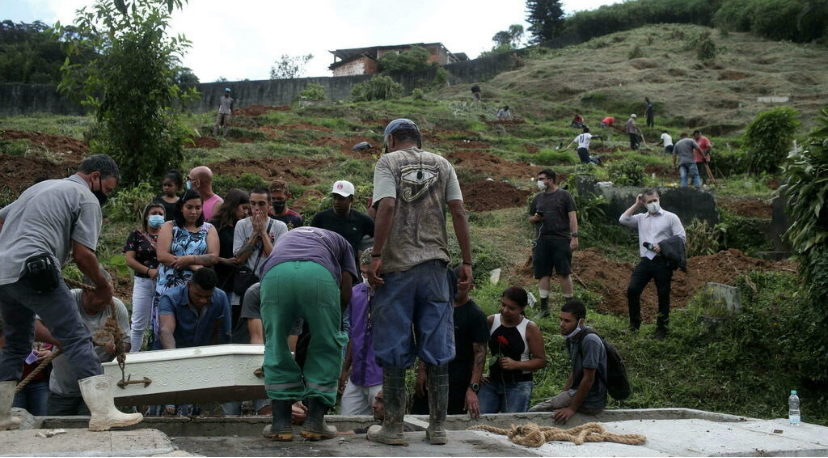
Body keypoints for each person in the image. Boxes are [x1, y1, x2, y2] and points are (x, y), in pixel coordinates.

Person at [0, 154, 142, 432]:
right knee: (77, 336)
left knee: (16, 344)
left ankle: (1, 416)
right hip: (35, 270)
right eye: (108, 190)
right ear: (95, 178)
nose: (106, 197)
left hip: (4, 274)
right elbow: (83, 255)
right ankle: (103, 413)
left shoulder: (40, 188)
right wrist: (103, 284)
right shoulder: (86, 198)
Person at [366, 118, 473, 446]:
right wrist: (467, 261)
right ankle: (438, 428)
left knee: (395, 346)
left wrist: (376, 254)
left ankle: (394, 428)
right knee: (438, 347)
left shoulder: (388, 162)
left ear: (393, 139)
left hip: (397, 269)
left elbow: (386, 205)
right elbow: (458, 211)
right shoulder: (444, 164)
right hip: (435, 269)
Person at [258, 227, 357, 442]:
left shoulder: (287, 237)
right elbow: (346, 285)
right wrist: (332, 326)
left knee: (276, 345)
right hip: (318, 275)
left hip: (275, 274)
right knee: (326, 345)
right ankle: (315, 422)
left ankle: (280, 424)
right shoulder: (342, 242)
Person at [45, 268, 131, 415]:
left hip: (97, 389)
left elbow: (126, 343)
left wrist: (118, 347)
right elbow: (36, 327)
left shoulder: (116, 307)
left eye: (109, 295)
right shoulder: (68, 301)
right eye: (101, 296)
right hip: (63, 388)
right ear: (86, 291)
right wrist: (63, 342)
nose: (106, 301)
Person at [411, 267, 488, 419]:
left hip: (457, 381)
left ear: (471, 286)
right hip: (431, 375)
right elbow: (427, 340)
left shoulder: (475, 315)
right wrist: (421, 370)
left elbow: (480, 354)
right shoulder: (437, 309)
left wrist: (472, 388)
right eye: (456, 279)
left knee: (449, 422)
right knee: (417, 419)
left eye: (464, 280)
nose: (459, 283)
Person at [152, 189, 219, 346]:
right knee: (166, 328)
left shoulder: (209, 229)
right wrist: (193, 264)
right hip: (168, 284)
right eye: (189, 207)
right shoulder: (170, 226)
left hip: (196, 288)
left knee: (193, 327)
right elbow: (162, 255)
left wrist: (190, 259)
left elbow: (213, 256)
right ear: (181, 207)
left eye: (198, 207)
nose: (194, 211)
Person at [619, 189, 686, 340]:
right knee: (633, 290)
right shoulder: (641, 218)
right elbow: (622, 219)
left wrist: (663, 245)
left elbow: (681, 237)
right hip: (646, 260)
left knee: (663, 295)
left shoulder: (670, 217)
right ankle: (634, 325)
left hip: (663, 261)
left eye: (655, 200)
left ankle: (662, 329)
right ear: (644, 203)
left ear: (659, 199)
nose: (653, 204)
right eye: (649, 202)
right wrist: (636, 204)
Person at [529, 299, 607, 422]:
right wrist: (564, 394)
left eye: (567, 321)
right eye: (561, 319)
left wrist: (571, 408)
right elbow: (574, 370)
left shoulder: (590, 341)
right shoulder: (571, 338)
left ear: (581, 322)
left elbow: (589, 378)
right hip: (576, 391)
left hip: (592, 398)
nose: (562, 324)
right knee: (536, 410)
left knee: (535, 413)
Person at [478, 286, 547, 413]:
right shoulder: (492, 321)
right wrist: (477, 374)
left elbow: (541, 361)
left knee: (512, 425)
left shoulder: (529, 328)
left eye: (511, 308)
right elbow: (478, 349)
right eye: (503, 305)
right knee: (480, 422)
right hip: (492, 382)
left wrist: (516, 364)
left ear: (522, 308)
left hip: (518, 385)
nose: (505, 310)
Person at [528, 169, 579, 317]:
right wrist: (536, 218)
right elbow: (530, 218)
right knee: (543, 273)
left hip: (561, 239)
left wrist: (574, 237)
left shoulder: (564, 196)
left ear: (550, 180)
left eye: (541, 179)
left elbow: (573, 217)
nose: (539, 181)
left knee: (564, 272)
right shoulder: (538, 198)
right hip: (541, 240)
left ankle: (569, 307)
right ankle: (544, 308)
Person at [338, 250, 383, 416]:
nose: (368, 278)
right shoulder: (355, 293)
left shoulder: (391, 295)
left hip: (380, 376)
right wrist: (345, 369)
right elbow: (353, 335)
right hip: (357, 376)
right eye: (363, 273)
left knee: (383, 423)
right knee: (346, 420)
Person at [123, 202, 165, 352]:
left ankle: (160, 354)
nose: (158, 216)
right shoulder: (136, 235)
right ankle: (133, 356)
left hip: (164, 283)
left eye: (161, 214)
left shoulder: (169, 234)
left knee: (163, 323)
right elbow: (129, 259)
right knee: (138, 323)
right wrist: (149, 271)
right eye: (154, 213)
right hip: (143, 281)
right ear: (147, 216)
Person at [156, 267, 232, 349]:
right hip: (173, 351)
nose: (203, 301)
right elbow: (166, 330)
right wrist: (173, 356)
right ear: (189, 285)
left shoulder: (220, 297)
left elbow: (222, 332)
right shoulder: (170, 298)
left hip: (203, 353)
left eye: (208, 296)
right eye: (198, 295)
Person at [234, 187, 287, 299]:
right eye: (253, 204)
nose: (257, 208)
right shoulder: (241, 225)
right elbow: (239, 258)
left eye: (261, 204)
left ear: (269, 204)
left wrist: (263, 232)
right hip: (247, 282)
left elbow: (276, 258)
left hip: (271, 282)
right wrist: (254, 234)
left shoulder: (280, 226)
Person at [311, 180, 374, 264]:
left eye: (341, 198)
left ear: (351, 199)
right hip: (327, 266)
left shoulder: (362, 220)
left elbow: (379, 238)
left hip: (352, 269)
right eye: (335, 197)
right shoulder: (320, 218)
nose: (336, 202)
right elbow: (311, 242)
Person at [208, 189, 250, 311]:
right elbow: (205, 253)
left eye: (248, 209)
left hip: (238, 280)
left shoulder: (242, 226)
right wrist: (223, 260)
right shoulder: (214, 225)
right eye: (244, 208)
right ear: (233, 205)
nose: (246, 212)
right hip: (220, 278)